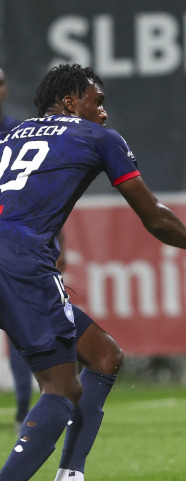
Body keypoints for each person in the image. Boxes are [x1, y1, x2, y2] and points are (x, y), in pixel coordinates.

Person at [0, 64, 186, 481]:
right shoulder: (97, 138)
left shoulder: (8, 137)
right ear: (71, 102)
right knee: (62, 390)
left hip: (11, 257)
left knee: (104, 356)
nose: (104, 113)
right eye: (98, 100)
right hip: (20, 259)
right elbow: (152, 214)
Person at [0, 66, 35, 435]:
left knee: (21, 327)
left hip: (12, 242)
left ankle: (25, 408)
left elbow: (40, 194)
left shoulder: (18, 133)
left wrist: (59, 242)